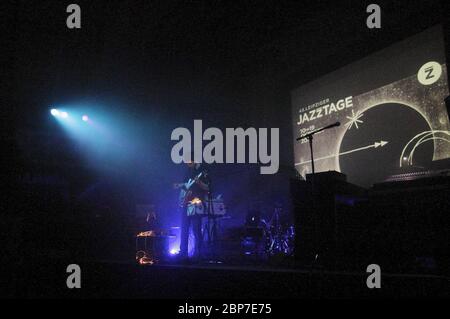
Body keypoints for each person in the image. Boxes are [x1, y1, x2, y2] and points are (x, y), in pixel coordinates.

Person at [178, 160, 210, 260]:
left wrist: (199, 182)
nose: (187, 163)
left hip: (196, 204)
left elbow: (208, 188)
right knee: (184, 229)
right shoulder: (187, 171)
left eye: (190, 161)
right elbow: (185, 187)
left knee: (196, 229)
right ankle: (183, 253)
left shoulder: (202, 171)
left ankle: (198, 253)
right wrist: (182, 197)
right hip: (186, 204)